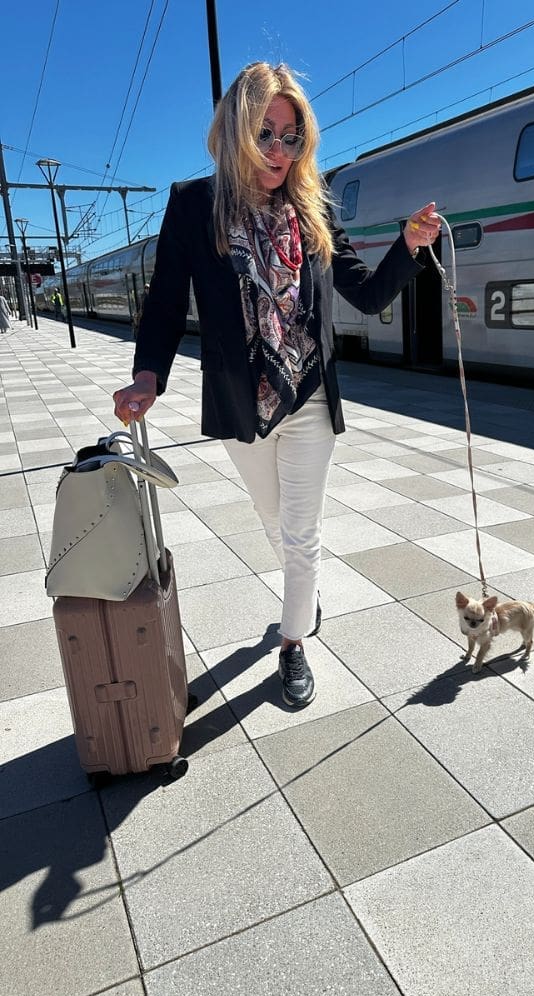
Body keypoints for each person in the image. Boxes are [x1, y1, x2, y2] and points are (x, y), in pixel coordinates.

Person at [112, 62, 441, 709]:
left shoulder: (312, 210)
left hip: (310, 392)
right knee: (273, 518)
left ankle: (293, 643)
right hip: (242, 399)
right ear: (238, 128)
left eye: (292, 138)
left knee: (301, 531)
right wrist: (147, 373)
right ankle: (301, 584)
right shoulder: (193, 205)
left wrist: (406, 246)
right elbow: (165, 303)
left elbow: (368, 293)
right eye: (267, 133)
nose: (280, 151)